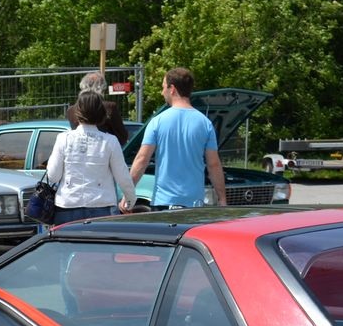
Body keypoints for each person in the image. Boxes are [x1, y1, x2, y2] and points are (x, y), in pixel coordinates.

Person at [124, 67, 225, 211]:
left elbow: (142, 159)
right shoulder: (205, 123)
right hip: (194, 204)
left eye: (163, 87)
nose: (162, 92)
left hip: (163, 202)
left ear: (172, 89)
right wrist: (222, 199)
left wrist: (128, 193)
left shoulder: (157, 122)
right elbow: (213, 164)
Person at [45, 89, 134, 224]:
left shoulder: (64, 138)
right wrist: (130, 200)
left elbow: (53, 176)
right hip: (101, 206)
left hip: (67, 206)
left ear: (77, 112)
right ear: (101, 113)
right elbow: (123, 177)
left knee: (67, 245)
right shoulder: (110, 141)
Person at [69, 70, 128, 145]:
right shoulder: (109, 107)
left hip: (79, 149)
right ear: (102, 88)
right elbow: (122, 136)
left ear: (82, 86)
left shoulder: (71, 110)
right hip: (105, 149)